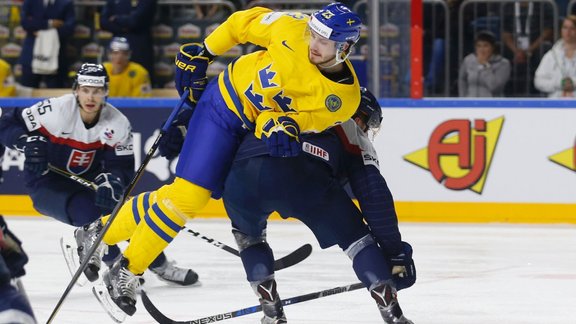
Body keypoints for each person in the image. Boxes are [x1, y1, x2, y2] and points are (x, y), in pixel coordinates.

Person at [77, 3, 364, 317]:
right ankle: (127, 270)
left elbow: (297, 121)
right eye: (314, 34)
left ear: (345, 47)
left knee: (176, 198)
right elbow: (241, 23)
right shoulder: (292, 27)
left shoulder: (344, 101)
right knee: (188, 198)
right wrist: (204, 52)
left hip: (255, 131)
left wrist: (284, 126)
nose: (314, 44)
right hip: (223, 107)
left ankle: (100, 231)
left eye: (325, 41)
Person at [221, 88, 415, 323]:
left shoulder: (282, 99)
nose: (365, 129)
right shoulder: (348, 124)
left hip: (241, 178)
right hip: (305, 177)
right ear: (357, 114)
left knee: (248, 237)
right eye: (366, 121)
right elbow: (374, 195)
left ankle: (271, 311)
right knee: (357, 240)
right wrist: (395, 253)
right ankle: (391, 311)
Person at [0, 63, 197, 287]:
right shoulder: (55, 110)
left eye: (96, 90)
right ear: (76, 90)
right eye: (85, 90)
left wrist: (112, 181)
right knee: (90, 215)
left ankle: (159, 264)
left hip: (89, 183)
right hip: (46, 182)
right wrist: (25, 141)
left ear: (106, 91)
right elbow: (7, 123)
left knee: (124, 213)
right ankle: (115, 266)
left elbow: (121, 166)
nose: (90, 97)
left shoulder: (118, 123)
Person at [19, 0, 75, 88]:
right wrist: (50, 23)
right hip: (30, 55)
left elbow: (69, 28)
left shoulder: (66, 3)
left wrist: (40, 31)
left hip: (57, 57)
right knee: (27, 91)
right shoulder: (30, 2)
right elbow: (25, 23)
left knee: (56, 95)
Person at [501, 1, 553, 96]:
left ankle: (539, 93)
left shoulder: (542, 5)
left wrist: (530, 50)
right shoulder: (508, 7)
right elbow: (505, 33)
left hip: (535, 46)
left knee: (545, 49)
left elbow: (547, 31)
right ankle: (507, 94)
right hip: (513, 48)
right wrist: (516, 51)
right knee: (502, 51)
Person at [99, 0, 157, 85]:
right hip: (116, 42)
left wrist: (116, 19)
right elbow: (103, 22)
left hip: (140, 46)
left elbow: (135, 21)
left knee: (140, 77)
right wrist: (122, 28)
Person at [458, 31, 511, 97]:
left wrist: (485, 65)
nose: (482, 49)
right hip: (470, 102)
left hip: (492, 104)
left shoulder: (503, 63)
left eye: (485, 46)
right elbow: (462, 79)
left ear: (493, 47)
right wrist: (463, 98)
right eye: (479, 46)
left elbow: (495, 87)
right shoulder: (468, 60)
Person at [534, 15, 576, 97]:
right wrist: (559, 83)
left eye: (572, 28)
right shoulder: (551, 55)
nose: (568, 31)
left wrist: (573, 82)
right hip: (555, 103)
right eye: (565, 27)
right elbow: (538, 81)